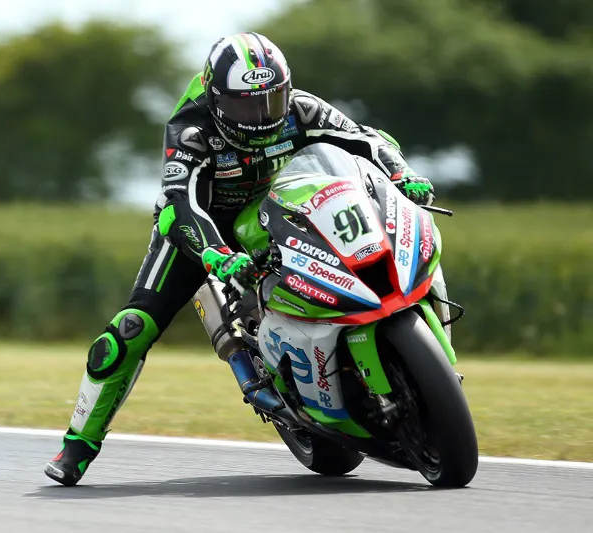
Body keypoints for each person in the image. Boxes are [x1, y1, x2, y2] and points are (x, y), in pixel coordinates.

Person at [44, 31, 439, 487]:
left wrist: (404, 175)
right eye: (244, 106)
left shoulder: (300, 108)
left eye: (269, 103)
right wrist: (214, 252)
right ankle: (78, 443)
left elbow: (366, 140)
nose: (259, 117)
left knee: (395, 233)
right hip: (204, 229)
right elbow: (180, 205)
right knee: (128, 331)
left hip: (283, 209)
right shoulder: (191, 130)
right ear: (216, 99)